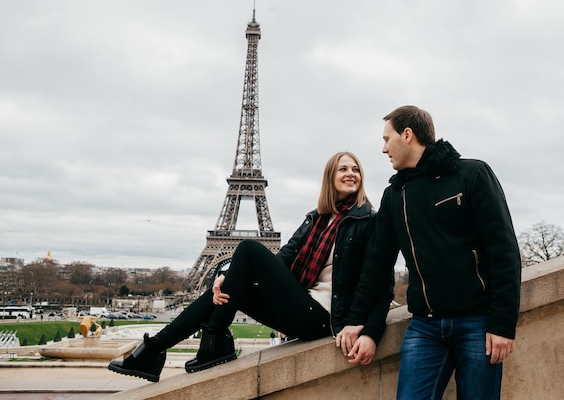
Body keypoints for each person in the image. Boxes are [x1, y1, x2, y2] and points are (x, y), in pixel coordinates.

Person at [109, 151, 394, 383]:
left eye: (355, 169)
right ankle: (155, 349)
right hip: (301, 306)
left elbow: (380, 283)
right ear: (330, 177)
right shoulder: (316, 219)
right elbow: (281, 259)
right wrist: (225, 275)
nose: (350, 174)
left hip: (323, 317)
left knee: (247, 248)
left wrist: (369, 332)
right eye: (343, 169)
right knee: (223, 290)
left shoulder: (369, 221)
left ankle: (214, 339)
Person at [351, 105, 522, 399]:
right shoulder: (394, 196)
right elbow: (377, 265)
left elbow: (504, 251)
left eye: (386, 139)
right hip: (425, 327)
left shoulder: (472, 174)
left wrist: (503, 324)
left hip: (478, 323)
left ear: (407, 135)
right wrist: (358, 321)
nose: (383, 149)